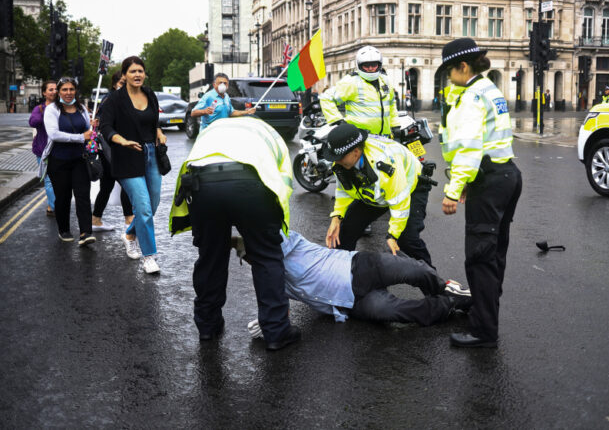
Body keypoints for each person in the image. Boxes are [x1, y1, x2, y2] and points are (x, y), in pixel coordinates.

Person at [169, 117, 300, 350]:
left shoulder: (212, 129)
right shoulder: (269, 133)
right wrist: (269, 227)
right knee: (266, 257)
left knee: (210, 257)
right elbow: (282, 181)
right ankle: (276, 331)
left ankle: (208, 326)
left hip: (203, 185)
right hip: (250, 184)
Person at [437, 38, 522, 348]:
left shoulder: (471, 97)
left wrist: (453, 190)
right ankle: (486, 313)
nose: (448, 77)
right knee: (494, 253)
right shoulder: (489, 89)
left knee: (480, 258)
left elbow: (469, 148)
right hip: (507, 175)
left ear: (463, 66)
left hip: (489, 182)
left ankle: (484, 331)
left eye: (449, 70)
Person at [235, 230, 472, 333]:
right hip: (350, 303)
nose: (251, 259)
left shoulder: (285, 240)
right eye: (247, 258)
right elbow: (276, 303)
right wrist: (268, 322)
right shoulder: (270, 278)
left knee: (413, 270)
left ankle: (444, 288)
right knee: (394, 311)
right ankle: (450, 304)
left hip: (356, 267)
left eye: (251, 253)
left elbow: (275, 239)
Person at [324, 123, 433, 265]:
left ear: (355, 152)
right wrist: (337, 217)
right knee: (344, 231)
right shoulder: (342, 163)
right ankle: (341, 272)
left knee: (407, 240)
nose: (335, 161)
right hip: (377, 192)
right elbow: (344, 190)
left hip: (410, 186)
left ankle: (432, 278)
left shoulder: (385, 165)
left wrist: (393, 235)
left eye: (339, 157)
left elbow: (399, 202)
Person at [99, 56, 166, 274]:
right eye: (132, 71)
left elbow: (154, 122)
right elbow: (105, 127)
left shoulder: (150, 94)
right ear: (124, 75)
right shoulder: (114, 99)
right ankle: (149, 257)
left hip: (151, 155)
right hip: (127, 157)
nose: (137, 75)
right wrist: (122, 140)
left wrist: (159, 132)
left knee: (153, 204)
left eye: (140, 71)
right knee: (143, 208)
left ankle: (129, 234)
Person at [41, 77, 97, 246]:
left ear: (75, 91)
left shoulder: (81, 108)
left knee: (83, 195)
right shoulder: (51, 110)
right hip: (59, 161)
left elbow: (87, 131)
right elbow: (54, 134)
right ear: (59, 92)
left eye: (71, 89)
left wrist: (92, 127)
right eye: (64, 89)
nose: (68, 93)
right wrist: (81, 137)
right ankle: (64, 229)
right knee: (63, 197)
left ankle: (86, 232)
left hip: (80, 159)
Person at [319, 45, 400, 136]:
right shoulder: (351, 81)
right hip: (359, 137)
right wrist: (337, 120)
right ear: (360, 65)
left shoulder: (385, 81)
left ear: (379, 65)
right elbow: (326, 97)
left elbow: (391, 104)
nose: (370, 68)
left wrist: (395, 124)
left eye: (373, 65)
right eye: (366, 65)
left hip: (384, 136)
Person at [91, 71, 134, 232]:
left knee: (107, 186)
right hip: (111, 149)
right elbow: (103, 124)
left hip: (117, 148)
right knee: (127, 183)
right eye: (122, 83)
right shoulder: (110, 99)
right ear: (115, 84)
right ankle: (129, 219)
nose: (125, 86)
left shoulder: (125, 99)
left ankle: (96, 219)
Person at [28, 80, 57, 216]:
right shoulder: (39, 109)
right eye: (50, 89)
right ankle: (55, 207)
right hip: (43, 151)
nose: (54, 92)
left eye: (56, 89)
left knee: (60, 181)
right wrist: (48, 113)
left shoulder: (63, 107)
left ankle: (53, 205)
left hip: (60, 150)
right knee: (49, 181)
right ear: (44, 93)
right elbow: (32, 122)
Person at [190, 73, 256, 131]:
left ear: (227, 85)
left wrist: (247, 112)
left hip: (222, 131)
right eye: (220, 83)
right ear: (214, 84)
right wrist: (204, 111)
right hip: (209, 132)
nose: (223, 85)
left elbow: (231, 112)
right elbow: (193, 113)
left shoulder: (226, 96)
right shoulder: (208, 96)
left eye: (225, 83)